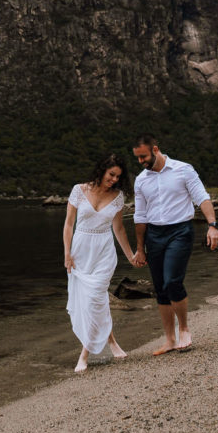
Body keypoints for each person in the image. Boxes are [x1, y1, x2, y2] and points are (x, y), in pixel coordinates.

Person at [131, 134, 218, 355]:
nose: (141, 162)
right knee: (160, 288)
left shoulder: (183, 169)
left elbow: (202, 197)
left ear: (155, 149)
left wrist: (212, 225)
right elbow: (140, 216)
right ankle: (169, 339)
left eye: (143, 156)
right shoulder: (141, 180)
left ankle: (185, 330)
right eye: (137, 158)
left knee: (172, 281)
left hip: (180, 231)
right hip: (154, 234)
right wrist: (140, 248)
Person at [64, 153, 137, 373]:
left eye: (118, 177)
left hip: (104, 252)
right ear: (102, 170)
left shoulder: (117, 197)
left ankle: (84, 355)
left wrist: (131, 256)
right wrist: (67, 254)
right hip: (80, 253)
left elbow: (119, 229)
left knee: (95, 297)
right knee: (91, 302)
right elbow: (68, 225)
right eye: (111, 174)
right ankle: (112, 342)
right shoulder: (79, 190)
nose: (114, 179)